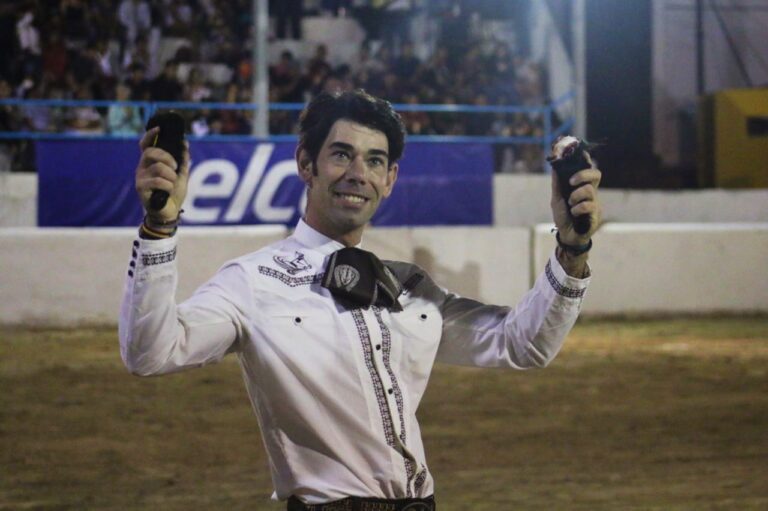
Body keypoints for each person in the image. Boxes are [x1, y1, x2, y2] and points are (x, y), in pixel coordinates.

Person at [119, 89, 602, 510]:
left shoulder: (411, 287)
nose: (357, 174)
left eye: (374, 161)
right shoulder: (252, 281)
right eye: (341, 155)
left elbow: (523, 344)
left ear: (390, 179)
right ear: (305, 164)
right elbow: (151, 352)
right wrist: (160, 228)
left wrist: (572, 247)